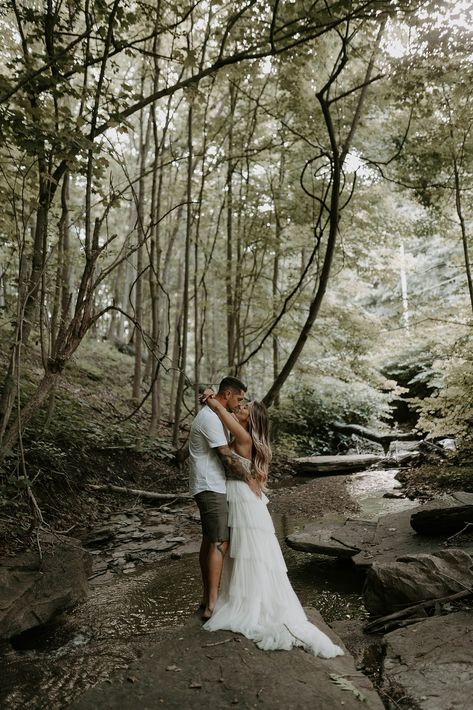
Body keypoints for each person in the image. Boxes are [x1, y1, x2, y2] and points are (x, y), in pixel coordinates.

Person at [200, 391, 344, 659]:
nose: (239, 408)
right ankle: (244, 598)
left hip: (242, 499)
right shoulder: (244, 439)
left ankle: (248, 604)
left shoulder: (243, 437)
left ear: (251, 420)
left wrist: (211, 397)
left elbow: (220, 411)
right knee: (248, 554)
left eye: (244, 409)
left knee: (246, 554)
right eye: (240, 405)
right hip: (246, 500)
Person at [189, 376, 254, 621]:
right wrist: (251, 481)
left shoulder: (215, 414)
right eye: (238, 398)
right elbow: (226, 456)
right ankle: (212, 605)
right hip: (210, 486)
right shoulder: (209, 419)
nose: (239, 404)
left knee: (209, 541)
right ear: (226, 394)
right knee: (219, 542)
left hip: (211, 485)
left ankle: (207, 598)